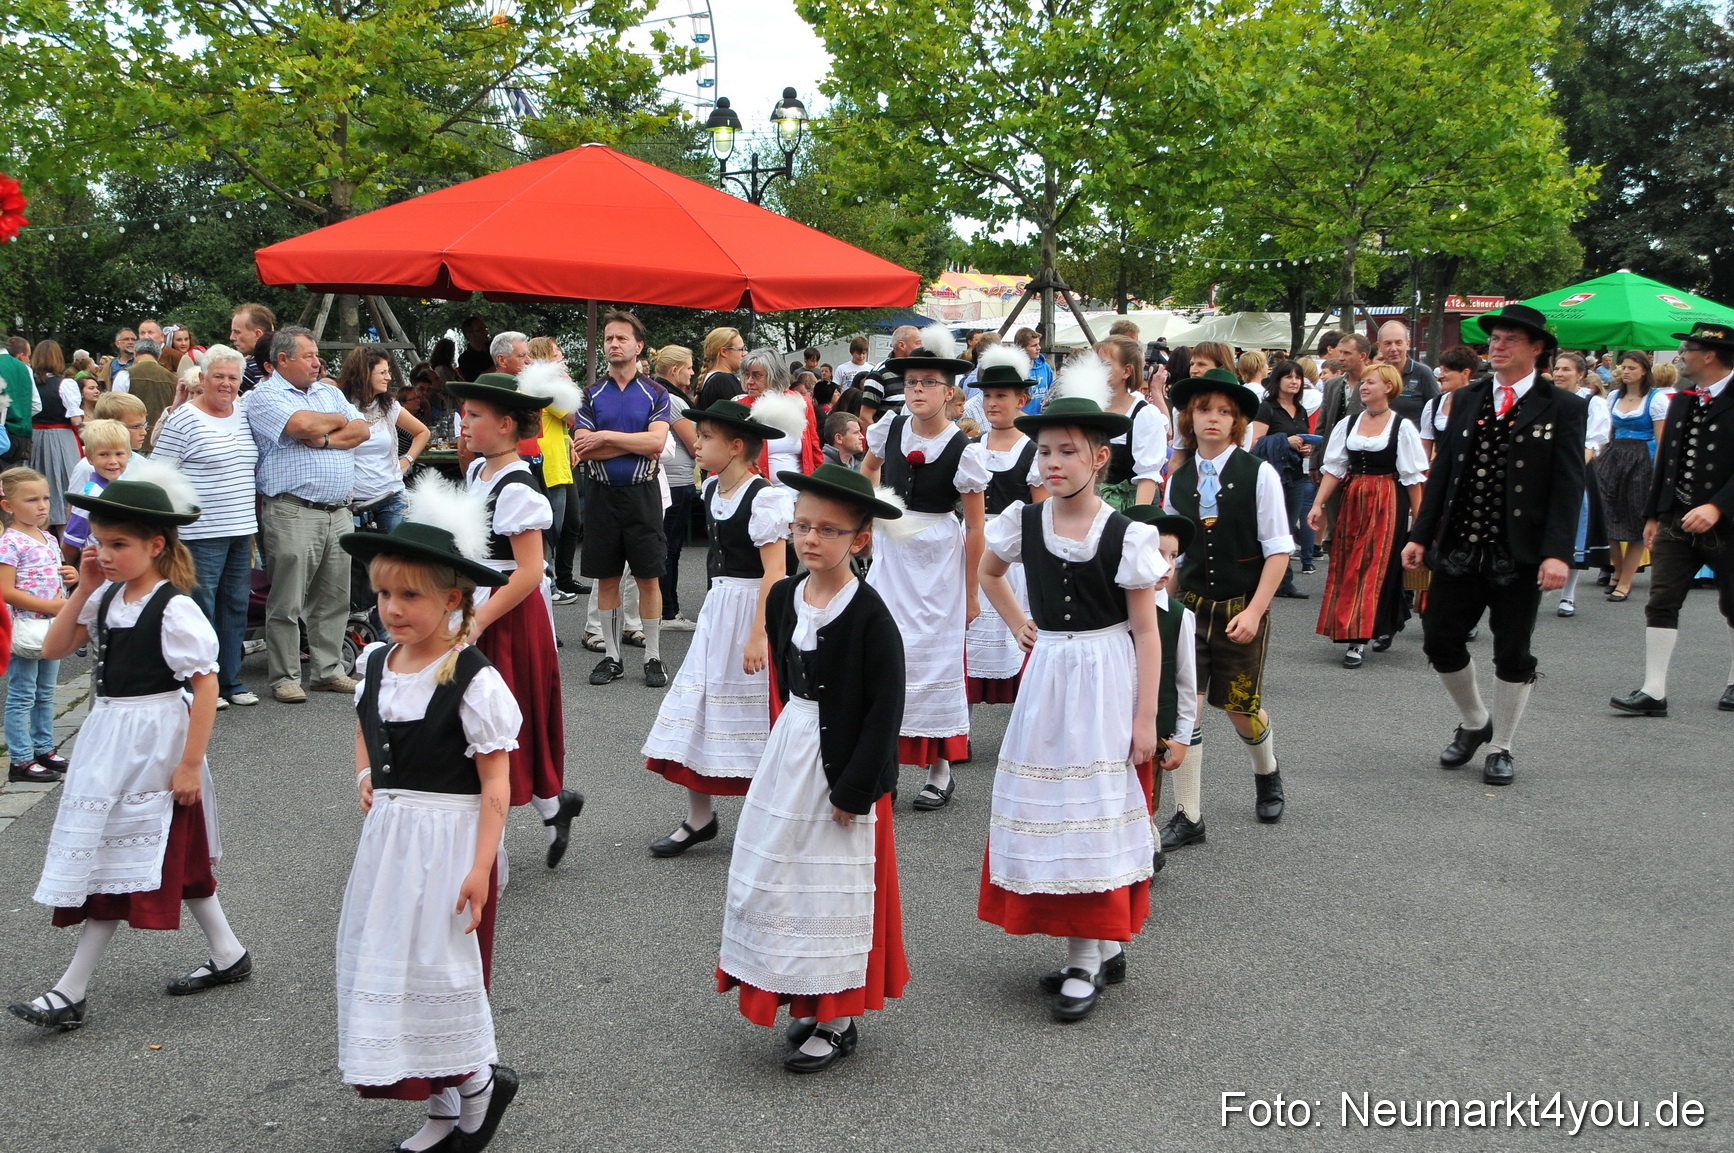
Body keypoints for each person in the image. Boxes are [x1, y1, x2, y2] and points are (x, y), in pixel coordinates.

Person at [10, 475, 251, 1032]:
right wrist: (84, 585)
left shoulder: (175, 610)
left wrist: (190, 763)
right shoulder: (107, 595)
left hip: (154, 740)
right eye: (98, 542)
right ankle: (228, 952)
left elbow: (206, 687)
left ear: (156, 546)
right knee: (171, 858)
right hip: (108, 737)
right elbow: (54, 647)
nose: (105, 553)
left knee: (113, 861)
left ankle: (70, 990)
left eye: (119, 544)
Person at [976, 392, 1166, 1023]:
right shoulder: (1023, 520)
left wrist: (1146, 719)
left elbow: (1146, 631)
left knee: (1093, 809)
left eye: (1067, 451)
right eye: (1046, 450)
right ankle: (1095, 946)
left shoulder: (1127, 533)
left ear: (1101, 457)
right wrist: (1017, 624)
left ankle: (1088, 954)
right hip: (1050, 674)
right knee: (1053, 803)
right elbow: (989, 570)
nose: (1052, 462)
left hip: (1105, 677)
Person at [336, 519, 521, 1153]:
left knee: (439, 969)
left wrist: (482, 865)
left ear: (451, 598)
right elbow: (365, 722)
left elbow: (496, 784)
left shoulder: (473, 679)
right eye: (384, 595)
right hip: (391, 841)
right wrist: (367, 771)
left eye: (409, 596)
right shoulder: (376, 662)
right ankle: (444, 1110)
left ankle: (477, 1083)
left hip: (449, 842)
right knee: (394, 962)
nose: (392, 609)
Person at [716, 463, 908, 1073]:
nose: (809, 539)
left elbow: (884, 712)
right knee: (784, 875)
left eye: (828, 530)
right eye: (802, 526)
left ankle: (838, 1016)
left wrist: (855, 788)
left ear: (859, 539)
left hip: (842, 764)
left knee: (832, 885)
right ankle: (802, 989)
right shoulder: (782, 598)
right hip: (792, 749)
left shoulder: (872, 617)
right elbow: (785, 677)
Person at [1401, 304, 1588, 787]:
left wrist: (1557, 553)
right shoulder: (1466, 398)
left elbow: (1569, 486)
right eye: (1495, 338)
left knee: (1512, 650)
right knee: (1439, 637)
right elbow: (1442, 472)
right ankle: (1474, 720)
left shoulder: (1564, 406)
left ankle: (1502, 744)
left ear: (1537, 348)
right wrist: (1420, 534)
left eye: (1509, 339)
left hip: (1519, 552)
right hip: (1462, 543)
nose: (1497, 346)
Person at [443, 372, 585, 868]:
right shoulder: (477, 471)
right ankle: (551, 807)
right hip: (477, 602)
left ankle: (491, 849)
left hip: (508, 611)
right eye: (465, 413)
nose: (465, 422)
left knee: (505, 713)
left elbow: (528, 572)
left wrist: (479, 619)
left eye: (474, 415)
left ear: (505, 425)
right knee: (477, 716)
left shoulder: (519, 486)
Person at [642, 400, 792, 856]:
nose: (698, 443)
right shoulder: (710, 490)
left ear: (736, 446)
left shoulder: (765, 497)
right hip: (718, 608)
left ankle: (771, 817)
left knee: (756, 713)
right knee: (700, 705)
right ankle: (699, 816)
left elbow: (775, 573)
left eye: (706, 437)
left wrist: (759, 634)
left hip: (753, 609)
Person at [1160, 367, 1293, 853]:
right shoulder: (1177, 481)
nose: (1212, 418)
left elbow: (1279, 551)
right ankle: (1188, 815)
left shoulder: (1259, 474)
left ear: (1236, 422)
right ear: (1189, 418)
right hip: (1191, 608)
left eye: (1223, 411)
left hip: (1242, 606)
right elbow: (1175, 553)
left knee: (1241, 708)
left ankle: (1267, 772)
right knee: (1186, 708)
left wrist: (1256, 611)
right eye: (1203, 410)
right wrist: (1162, 597)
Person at [860, 326, 989, 810]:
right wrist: (872, 509)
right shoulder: (888, 427)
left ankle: (940, 768)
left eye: (928, 382)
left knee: (933, 657)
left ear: (949, 392)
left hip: (937, 559)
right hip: (893, 553)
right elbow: (869, 472)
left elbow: (975, 528)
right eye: (912, 382)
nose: (917, 390)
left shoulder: (964, 451)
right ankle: (884, 762)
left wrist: (972, 592)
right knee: (885, 652)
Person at [1609, 322, 1734, 717]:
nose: (1680, 355)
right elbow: (1667, 462)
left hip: (1729, 525)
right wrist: (1654, 514)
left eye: (1686, 349)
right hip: (1677, 520)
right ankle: (1653, 690)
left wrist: (1718, 505)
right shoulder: (1681, 399)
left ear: (1709, 354)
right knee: (1662, 600)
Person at [247, 326, 370, 703]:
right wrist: (333, 421)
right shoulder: (264, 396)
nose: (318, 362)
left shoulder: (328, 391)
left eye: (317, 355)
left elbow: (362, 429)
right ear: (282, 360)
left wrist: (327, 436)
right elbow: (300, 426)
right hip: (292, 510)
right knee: (287, 599)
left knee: (334, 597)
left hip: (338, 511)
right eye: (309, 356)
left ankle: (328, 670)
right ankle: (285, 676)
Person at [151, 346, 262, 709]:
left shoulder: (245, 413)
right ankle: (199, 682)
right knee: (200, 607)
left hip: (242, 526)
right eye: (219, 376)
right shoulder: (184, 418)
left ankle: (230, 681)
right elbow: (158, 472)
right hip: (200, 531)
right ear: (202, 378)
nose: (227, 384)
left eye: (233, 377)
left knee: (235, 606)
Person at [573, 310, 673, 688]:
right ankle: (612, 658)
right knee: (608, 578)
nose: (614, 344)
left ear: (638, 346)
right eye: (609, 339)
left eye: (622, 339)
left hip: (642, 495)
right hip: (601, 496)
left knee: (649, 577)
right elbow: (583, 448)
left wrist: (605, 437)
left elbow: (657, 443)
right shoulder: (590, 394)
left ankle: (653, 657)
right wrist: (629, 443)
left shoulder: (656, 392)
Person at [1307, 363, 1427, 667]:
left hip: (1387, 500)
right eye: (1363, 382)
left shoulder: (1402, 427)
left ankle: (1359, 639)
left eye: (1371, 382)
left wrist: (1421, 523)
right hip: (1354, 499)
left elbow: (1413, 479)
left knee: (1376, 568)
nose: (1364, 387)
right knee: (1350, 564)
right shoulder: (1348, 424)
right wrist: (1317, 504)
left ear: (1388, 387)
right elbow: (1334, 469)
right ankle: (1363, 627)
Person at [1122, 506, 1199, 875]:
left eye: (1173, 556)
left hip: (1156, 730)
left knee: (1146, 795)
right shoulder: (1111, 608)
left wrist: (1183, 736)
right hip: (1111, 720)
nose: (1166, 565)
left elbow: (1186, 683)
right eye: (1157, 553)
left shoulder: (1179, 616)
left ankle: (1145, 852)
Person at [965, 346, 1043, 707]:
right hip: (974, 545)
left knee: (1017, 628)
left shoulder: (1033, 451)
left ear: (1022, 399)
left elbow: (1042, 511)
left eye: (1002, 396)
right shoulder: (971, 447)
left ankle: (1025, 718)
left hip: (1013, 554)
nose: (992, 403)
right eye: (987, 395)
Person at [1, 467, 74, 783]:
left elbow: (54, 575)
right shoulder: (9, 543)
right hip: (27, 628)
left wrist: (72, 575)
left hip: (52, 628)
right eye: (31, 500)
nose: (42, 505)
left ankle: (44, 748)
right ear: (8, 506)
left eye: (45, 498)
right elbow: (5, 590)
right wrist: (51, 606)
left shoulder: (47, 536)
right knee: (22, 694)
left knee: (46, 692)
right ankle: (20, 759)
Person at [1597, 351, 1668, 602]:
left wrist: (1659, 476)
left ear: (1644, 371)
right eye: (1623, 367)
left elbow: (1662, 442)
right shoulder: (1614, 396)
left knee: (1636, 521)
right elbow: (1607, 433)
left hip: (1642, 460)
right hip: (1614, 457)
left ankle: (1625, 581)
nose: (1625, 372)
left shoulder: (1656, 400)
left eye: (1631, 368)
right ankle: (1617, 570)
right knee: (1607, 517)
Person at [340, 346, 430, 535]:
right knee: (357, 562)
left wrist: (407, 461)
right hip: (351, 503)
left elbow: (422, 432)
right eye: (382, 372)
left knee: (396, 559)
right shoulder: (340, 406)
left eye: (388, 371)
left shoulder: (388, 406)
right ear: (364, 374)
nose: (389, 377)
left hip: (391, 498)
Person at [1549, 352, 1612, 617]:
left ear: (1581, 374)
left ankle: (1568, 595)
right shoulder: (1544, 399)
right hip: (1544, 470)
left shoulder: (1592, 403)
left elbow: (1595, 441)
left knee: (1573, 530)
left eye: (1566, 369)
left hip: (1576, 471)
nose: (1560, 374)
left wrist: (1574, 468)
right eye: (1557, 369)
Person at [1252, 359, 1315, 591]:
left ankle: (1282, 580)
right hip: (1272, 475)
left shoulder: (1301, 410)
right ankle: (1280, 581)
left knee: (1288, 526)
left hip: (1296, 473)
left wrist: (1306, 447)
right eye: (1288, 376)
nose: (1294, 381)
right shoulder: (1267, 408)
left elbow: (1303, 438)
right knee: (1274, 526)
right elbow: (1255, 443)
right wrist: (1284, 441)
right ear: (1277, 380)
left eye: (1298, 377)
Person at [650, 345, 700, 630]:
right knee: (670, 549)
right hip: (676, 481)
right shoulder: (673, 400)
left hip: (674, 479)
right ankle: (668, 612)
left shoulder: (663, 395)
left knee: (668, 547)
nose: (693, 372)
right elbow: (694, 445)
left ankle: (665, 609)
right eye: (689, 367)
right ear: (675, 370)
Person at [1095, 335, 1169, 509]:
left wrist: (1135, 524)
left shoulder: (1144, 415)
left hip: (1125, 510)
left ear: (1127, 371)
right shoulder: (1091, 406)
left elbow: (1148, 478)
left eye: (1105, 365)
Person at [60, 419, 132, 565]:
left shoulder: (126, 486)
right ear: (90, 458)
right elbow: (70, 544)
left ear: (129, 455)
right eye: (104, 455)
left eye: (119, 454)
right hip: (99, 570)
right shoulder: (90, 498)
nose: (113, 461)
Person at [1418, 346, 1480, 462]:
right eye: (1441, 370)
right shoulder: (1433, 405)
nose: (1441, 376)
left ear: (1465, 373)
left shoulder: (1480, 403)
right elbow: (1424, 451)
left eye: (1447, 371)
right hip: (1442, 473)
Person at [1376, 320, 1442, 425]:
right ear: (1379, 346)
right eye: (1388, 343)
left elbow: (1437, 412)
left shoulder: (1422, 373)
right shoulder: (1374, 375)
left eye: (1398, 343)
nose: (1393, 349)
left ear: (1408, 344)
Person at [124, 337, 179, 433]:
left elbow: (115, 408)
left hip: (131, 436)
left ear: (135, 353)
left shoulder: (125, 374)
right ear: (158, 356)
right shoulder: (174, 379)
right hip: (162, 436)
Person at [695, 327, 747, 409]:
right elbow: (743, 414)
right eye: (740, 349)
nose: (744, 354)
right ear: (724, 352)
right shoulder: (724, 380)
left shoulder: (708, 379)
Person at [1, 335, 34, 466]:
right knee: (15, 482)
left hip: (3, 434)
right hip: (22, 437)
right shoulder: (24, 368)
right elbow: (36, 405)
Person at [228, 303, 275, 392]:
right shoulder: (286, 365)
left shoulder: (245, 369)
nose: (232, 337)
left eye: (237, 332)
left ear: (257, 334)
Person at [1015, 327, 1056, 414]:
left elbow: (1052, 394)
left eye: (1038, 344)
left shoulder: (1045, 367)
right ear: (1021, 348)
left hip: (1042, 419)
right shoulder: (1014, 370)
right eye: (1034, 345)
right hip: (1021, 421)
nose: (1039, 348)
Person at [457, 316, 493, 382]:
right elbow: (477, 381)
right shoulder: (465, 359)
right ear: (469, 334)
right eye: (480, 330)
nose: (485, 332)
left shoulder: (494, 347)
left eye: (485, 328)